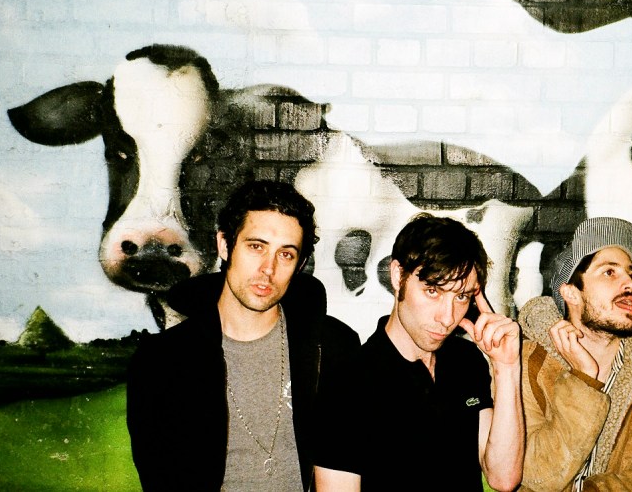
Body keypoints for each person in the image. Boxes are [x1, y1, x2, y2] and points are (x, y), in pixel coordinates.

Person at [126, 179, 359, 491]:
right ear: (225, 245)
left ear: (300, 264)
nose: (268, 268)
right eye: (256, 246)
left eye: (286, 254)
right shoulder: (161, 363)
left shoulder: (332, 348)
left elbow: (343, 463)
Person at [313, 213, 524, 492]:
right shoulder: (348, 383)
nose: (447, 318)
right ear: (398, 275)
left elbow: (503, 478)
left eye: (461, 296)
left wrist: (507, 368)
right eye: (433, 291)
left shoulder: (466, 360)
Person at [518, 216, 632, 491]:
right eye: (609, 272)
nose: (630, 285)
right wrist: (583, 378)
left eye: (631, 275)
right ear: (571, 293)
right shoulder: (528, 361)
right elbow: (536, 476)